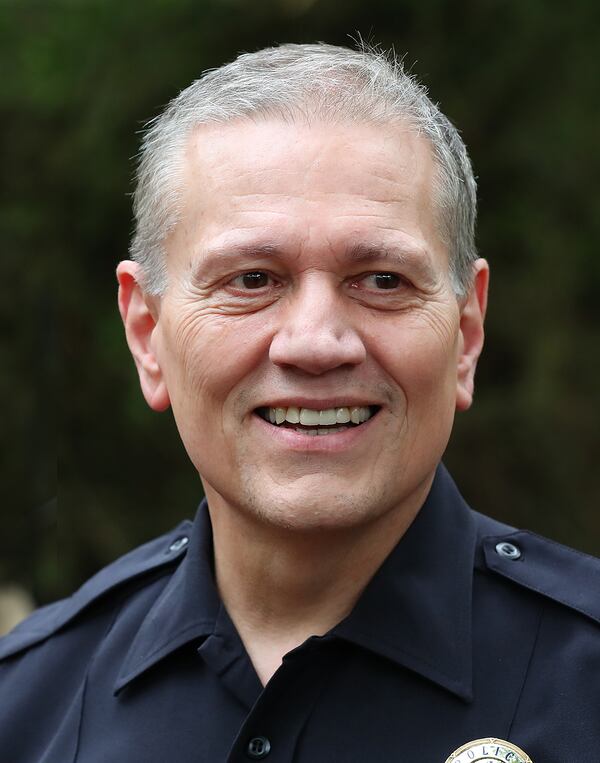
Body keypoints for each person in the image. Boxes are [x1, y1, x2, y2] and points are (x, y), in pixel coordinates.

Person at [0, 43, 598, 763]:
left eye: (381, 279)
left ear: (466, 333)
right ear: (148, 335)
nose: (316, 344)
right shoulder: (26, 707)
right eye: (252, 278)